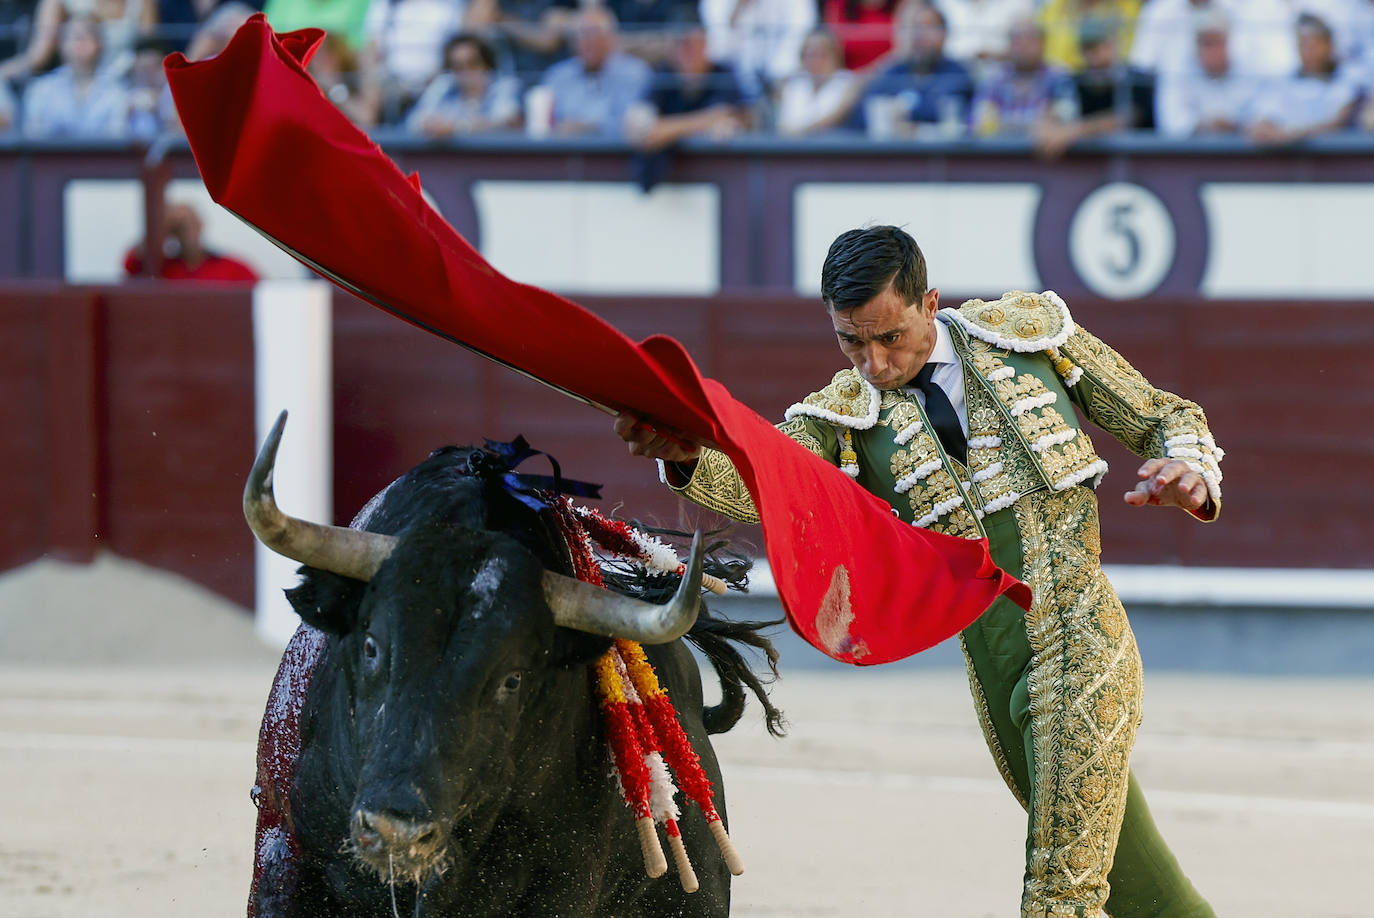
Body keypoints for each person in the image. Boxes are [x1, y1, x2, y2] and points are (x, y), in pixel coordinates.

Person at [614, 224, 1223, 918]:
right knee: (1141, 880)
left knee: (1062, 893)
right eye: (851, 341)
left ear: (930, 304)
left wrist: (1191, 469)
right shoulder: (842, 416)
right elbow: (758, 482)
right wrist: (685, 454)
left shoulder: (1030, 335)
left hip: (1081, 635)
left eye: (889, 337)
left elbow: (1161, 415)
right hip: (993, 668)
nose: (873, 362)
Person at [1033, 17, 1153, 157]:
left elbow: (1128, 117)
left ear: (1114, 45)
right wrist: (1046, 126)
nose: (1093, 54)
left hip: (1136, 161)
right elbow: (1057, 110)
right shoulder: (1074, 81)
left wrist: (1072, 132)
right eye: (1087, 47)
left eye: (1100, 46)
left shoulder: (1135, 78)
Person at [853, 1, 974, 137]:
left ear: (945, 34)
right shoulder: (894, 70)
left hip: (940, 154)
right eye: (916, 28)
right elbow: (864, 112)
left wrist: (900, 112)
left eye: (930, 27)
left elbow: (942, 111)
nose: (921, 35)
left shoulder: (956, 73)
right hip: (893, 153)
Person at [1248, 12, 1362, 145]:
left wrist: (1297, 133)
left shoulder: (1348, 78)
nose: (1309, 52)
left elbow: (1337, 121)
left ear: (1329, 45)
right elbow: (1262, 117)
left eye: (1314, 45)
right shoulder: (1284, 81)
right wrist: (1265, 128)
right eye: (1303, 45)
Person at [538, 4, 651, 136]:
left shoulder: (635, 73)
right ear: (573, 42)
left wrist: (589, 128)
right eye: (583, 35)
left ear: (611, 38)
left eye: (596, 34)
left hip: (615, 153)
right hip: (563, 151)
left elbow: (635, 124)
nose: (589, 41)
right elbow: (544, 122)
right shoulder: (557, 75)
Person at [1155, 9, 1260, 138]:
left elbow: (1262, 117)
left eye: (1218, 42)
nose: (1213, 50)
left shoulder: (1250, 67)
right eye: (1207, 43)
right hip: (1191, 153)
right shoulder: (1177, 67)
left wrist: (1235, 125)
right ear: (1196, 44)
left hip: (1243, 152)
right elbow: (1171, 122)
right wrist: (1205, 126)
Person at [20, 16, 129, 138]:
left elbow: (119, 138)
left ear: (100, 43)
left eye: (87, 35)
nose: (80, 42)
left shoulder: (119, 90)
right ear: (61, 44)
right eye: (74, 37)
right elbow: (33, 138)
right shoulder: (41, 89)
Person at [968, 14, 1077, 137]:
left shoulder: (1059, 76)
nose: (1023, 44)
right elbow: (979, 123)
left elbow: (1068, 120)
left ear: (1043, 43)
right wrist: (1038, 123)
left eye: (1030, 38)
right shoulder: (994, 79)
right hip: (1000, 151)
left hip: (1045, 153)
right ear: (1009, 44)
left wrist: (1002, 124)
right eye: (1017, 39)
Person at [404, 32, 520, 136]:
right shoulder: (444, 84)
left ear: (487, 64)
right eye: (458, 66)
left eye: (472, 63)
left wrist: (457, 127)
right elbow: (413, 120)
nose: (466, 71)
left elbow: (507, 123)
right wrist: (427, 124)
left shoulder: (504, 86)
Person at [124, 201, 260, 282]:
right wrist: (161, 227)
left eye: (192, 224)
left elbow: (260, 294)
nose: (187, 232)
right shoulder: (162, 267)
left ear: (201, 225)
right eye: (181, 227)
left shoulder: (233, 268)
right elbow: (131, 266)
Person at [774, 25, 858, 135]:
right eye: (808, 54)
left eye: (820, 54)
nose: (813, 60)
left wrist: (800, 132)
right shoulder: (796, 83)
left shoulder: (847, 82)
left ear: (834, 55)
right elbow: (783, 125)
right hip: (792, 148)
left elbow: (833, 119)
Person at [1037, 0, 1139, 72]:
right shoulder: (1052, 9)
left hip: (1112, 78)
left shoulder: (1129, 6)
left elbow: (1134, 57)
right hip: (1065, 82)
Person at [822, 0, 898, 71]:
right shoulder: (839, 4)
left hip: (891, 76)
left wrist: (869, 75)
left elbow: (902, 53)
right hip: (847, 78)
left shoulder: (901, 5)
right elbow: (830, 49)